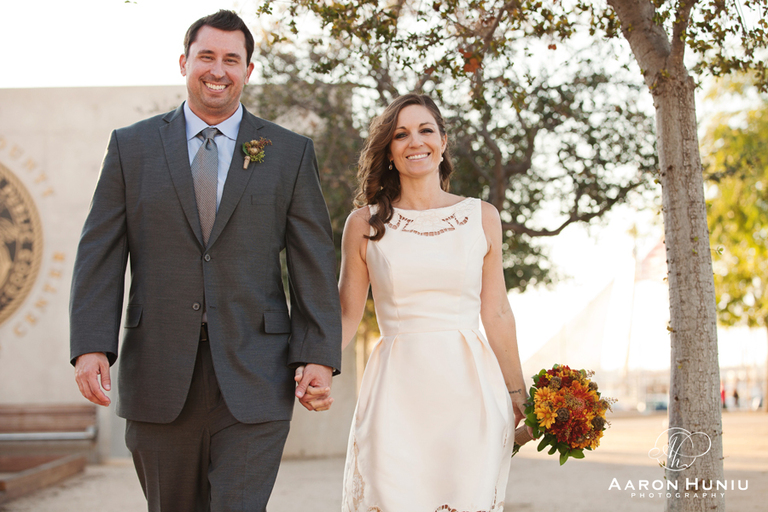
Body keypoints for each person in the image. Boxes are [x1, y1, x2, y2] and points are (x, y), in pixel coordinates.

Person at [69, 10, 341, 511]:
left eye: (231, 60)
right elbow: (100, 252)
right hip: (157, 374)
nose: (218, 70)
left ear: (249, 71)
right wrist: (90, 346)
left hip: (257, 375)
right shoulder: (132, 147)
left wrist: (318, 354)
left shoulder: (288, 153)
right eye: (207, 57)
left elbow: (313, 261)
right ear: (184, 62)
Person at [334, 93, 527, 511]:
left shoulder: (482, 216)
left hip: (470, 390)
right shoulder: (363, 224)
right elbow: (346, 315)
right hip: (395, 392)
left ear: (442, 140)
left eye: (425, 130)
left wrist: (518, 394)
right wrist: (314, 366)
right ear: (388, 151)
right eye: (400, 134)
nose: (414, 142)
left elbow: (495, 313)